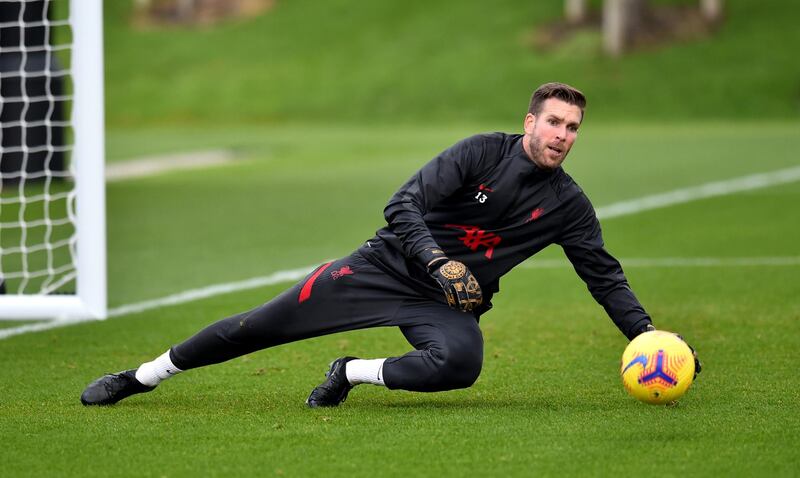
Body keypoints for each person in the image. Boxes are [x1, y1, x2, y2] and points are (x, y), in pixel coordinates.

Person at [81, 82, 700, 408]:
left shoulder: (568, 204)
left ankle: (349, 372)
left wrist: (649, 339)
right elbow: (402, 204)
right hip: (381, 269)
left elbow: (603, 275)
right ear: (530, 121)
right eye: (555, 122)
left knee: (460, 366)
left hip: (445, 305)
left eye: (574, 128)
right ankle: (140, 378)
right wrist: (438, 258)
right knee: (253, 327)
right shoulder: (480, 152)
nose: (563, 136)